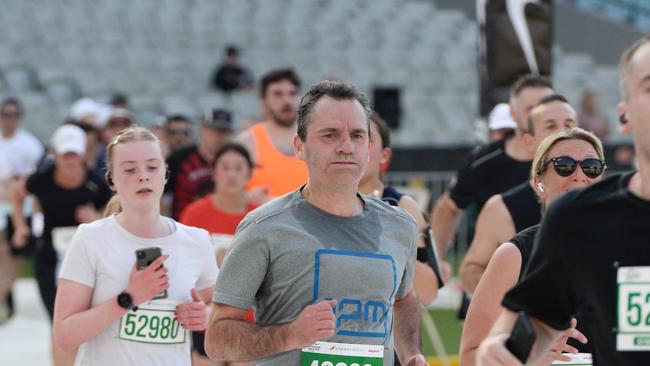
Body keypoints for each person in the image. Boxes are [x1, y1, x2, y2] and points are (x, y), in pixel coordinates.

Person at [205, 81, 427, 365]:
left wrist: (411, 354)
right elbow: (217, 339)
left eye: (358, 135)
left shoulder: (399, 227)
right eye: (330, 135)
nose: (346, 147)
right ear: (299, 146)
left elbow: (404, 298)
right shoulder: (264, 228)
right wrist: (289, 336)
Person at [477, 35, 650, 365]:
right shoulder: (579, 219)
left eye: (590, 167)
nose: (578, 175)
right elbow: (536, 321)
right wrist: (500, 348)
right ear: (624, 116)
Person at [53, 127, 218, 366]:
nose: (143, 176)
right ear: (111, 179)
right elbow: (65, 336)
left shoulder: (197, 241)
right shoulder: (90, 239)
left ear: (165, 175)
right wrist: (128, 298)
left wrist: (206, 316)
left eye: (152, 167)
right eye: (130, 169)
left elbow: (221, 310)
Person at [460, 127, 605, 365]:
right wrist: (529, 354)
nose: (580, 175)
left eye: (591, 167)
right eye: (564, 165)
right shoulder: (514, 256)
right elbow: (469, 357)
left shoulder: (625, 249)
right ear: (539, 183)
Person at [11, 124, 112, 365]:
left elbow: (115, 209)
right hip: (49, 256)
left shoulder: (95, 181)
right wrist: (20, 226)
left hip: (86, 260)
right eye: (65, 154)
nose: (70, 160)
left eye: (74, 154)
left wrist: (98, 217)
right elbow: (17, 192)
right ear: (55, 154)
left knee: (84, 321)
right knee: (59, 322)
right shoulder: (42, 179)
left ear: (83, 153)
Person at [459, 94, 578, 294]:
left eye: (569, 124)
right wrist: (517, 305)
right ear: (529, 142)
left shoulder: (607, 203)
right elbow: (471, 269)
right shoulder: (501, 208)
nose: (562, 132)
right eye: (550, 126)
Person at [430, 75, 553, 261]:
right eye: (531, 109)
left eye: (545, 107)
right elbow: (449, 207)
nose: (539, 114)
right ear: (513, 113)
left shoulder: (574, 160)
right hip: (497, 270)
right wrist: (435, 264)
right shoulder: (483, 162)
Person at [180, 142, 257, 366]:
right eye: (225, 167)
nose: (231, 174)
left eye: (238, 168)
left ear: (249, 173)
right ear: (214, 173)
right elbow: (182, 267)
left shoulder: (260, 217)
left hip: (248, 320)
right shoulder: (194, 215)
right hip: (204, 320)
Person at [358, 112, 439, 306]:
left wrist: (391, 243)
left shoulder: (401, 207)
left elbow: (429, 293)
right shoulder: (314, 202)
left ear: (384, 155)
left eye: (363, 137)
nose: (353, 146)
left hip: (384, 327)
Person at [0, 97, 44, 322]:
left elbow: (33, 179)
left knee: (10, 255)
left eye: (13, 115)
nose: (9, 119)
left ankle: (3, 299)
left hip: (15, 208)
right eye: (6, 114)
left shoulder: (29, 144)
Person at [237, 68, 308, 204]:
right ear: (264, 102)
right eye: (278, 94)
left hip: (310, 222)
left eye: (292, 93)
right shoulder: (247, 142)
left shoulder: (315, 139)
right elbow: (229, 194)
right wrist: (246, 196)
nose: (286, 100)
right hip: (264, 223)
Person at [166, 108, 234, 219]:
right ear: (203, 128)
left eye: (225, 131)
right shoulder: (180, 159)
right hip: (184, 227)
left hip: (221, 228)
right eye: (216, 130)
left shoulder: (235, 163)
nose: (220, 137)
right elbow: (162, 194)